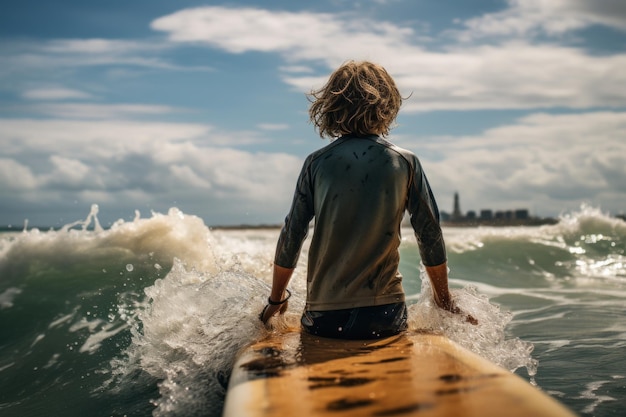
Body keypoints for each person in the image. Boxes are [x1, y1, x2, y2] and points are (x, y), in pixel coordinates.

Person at [260, 60, 475, 339]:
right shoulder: (405, 161)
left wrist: (276, 302)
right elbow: (429, 234)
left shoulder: (317, 163)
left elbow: (292, 234)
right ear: (386, 105)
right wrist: (444, 302)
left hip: (324, 315)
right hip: (385, 314)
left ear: (332, 107)